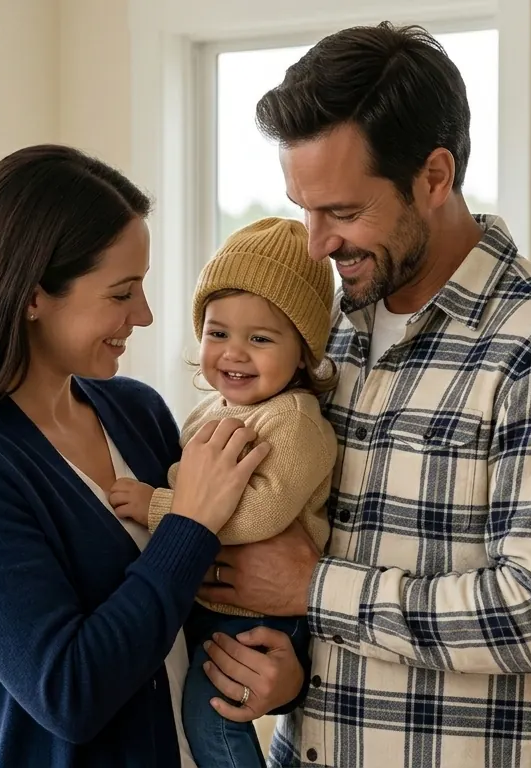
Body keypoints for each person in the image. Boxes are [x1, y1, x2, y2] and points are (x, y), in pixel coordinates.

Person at [195, 23, 531, 768]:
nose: (316, 243)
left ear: (434, 178)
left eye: (341, 212)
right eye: (303, 208)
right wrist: (290, 674)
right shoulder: (324, 336)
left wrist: (315, 590)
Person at [0, 144, 305, 768]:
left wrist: (283, 678)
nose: (144, 315)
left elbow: (195, 608)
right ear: (34, 295)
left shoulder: (138, 412)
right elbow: (69, 693)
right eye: (122, 293)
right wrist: (189, 523)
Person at [108, 216, 337, 768]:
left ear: (303, 350)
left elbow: (258, 513)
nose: (234, 353)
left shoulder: (295, 421)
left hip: (263, 611)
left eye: (260, 339)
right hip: (211, 599)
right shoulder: (207, 413)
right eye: (218, 333)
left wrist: (158, 506)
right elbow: (192, 485)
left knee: (213, 717)